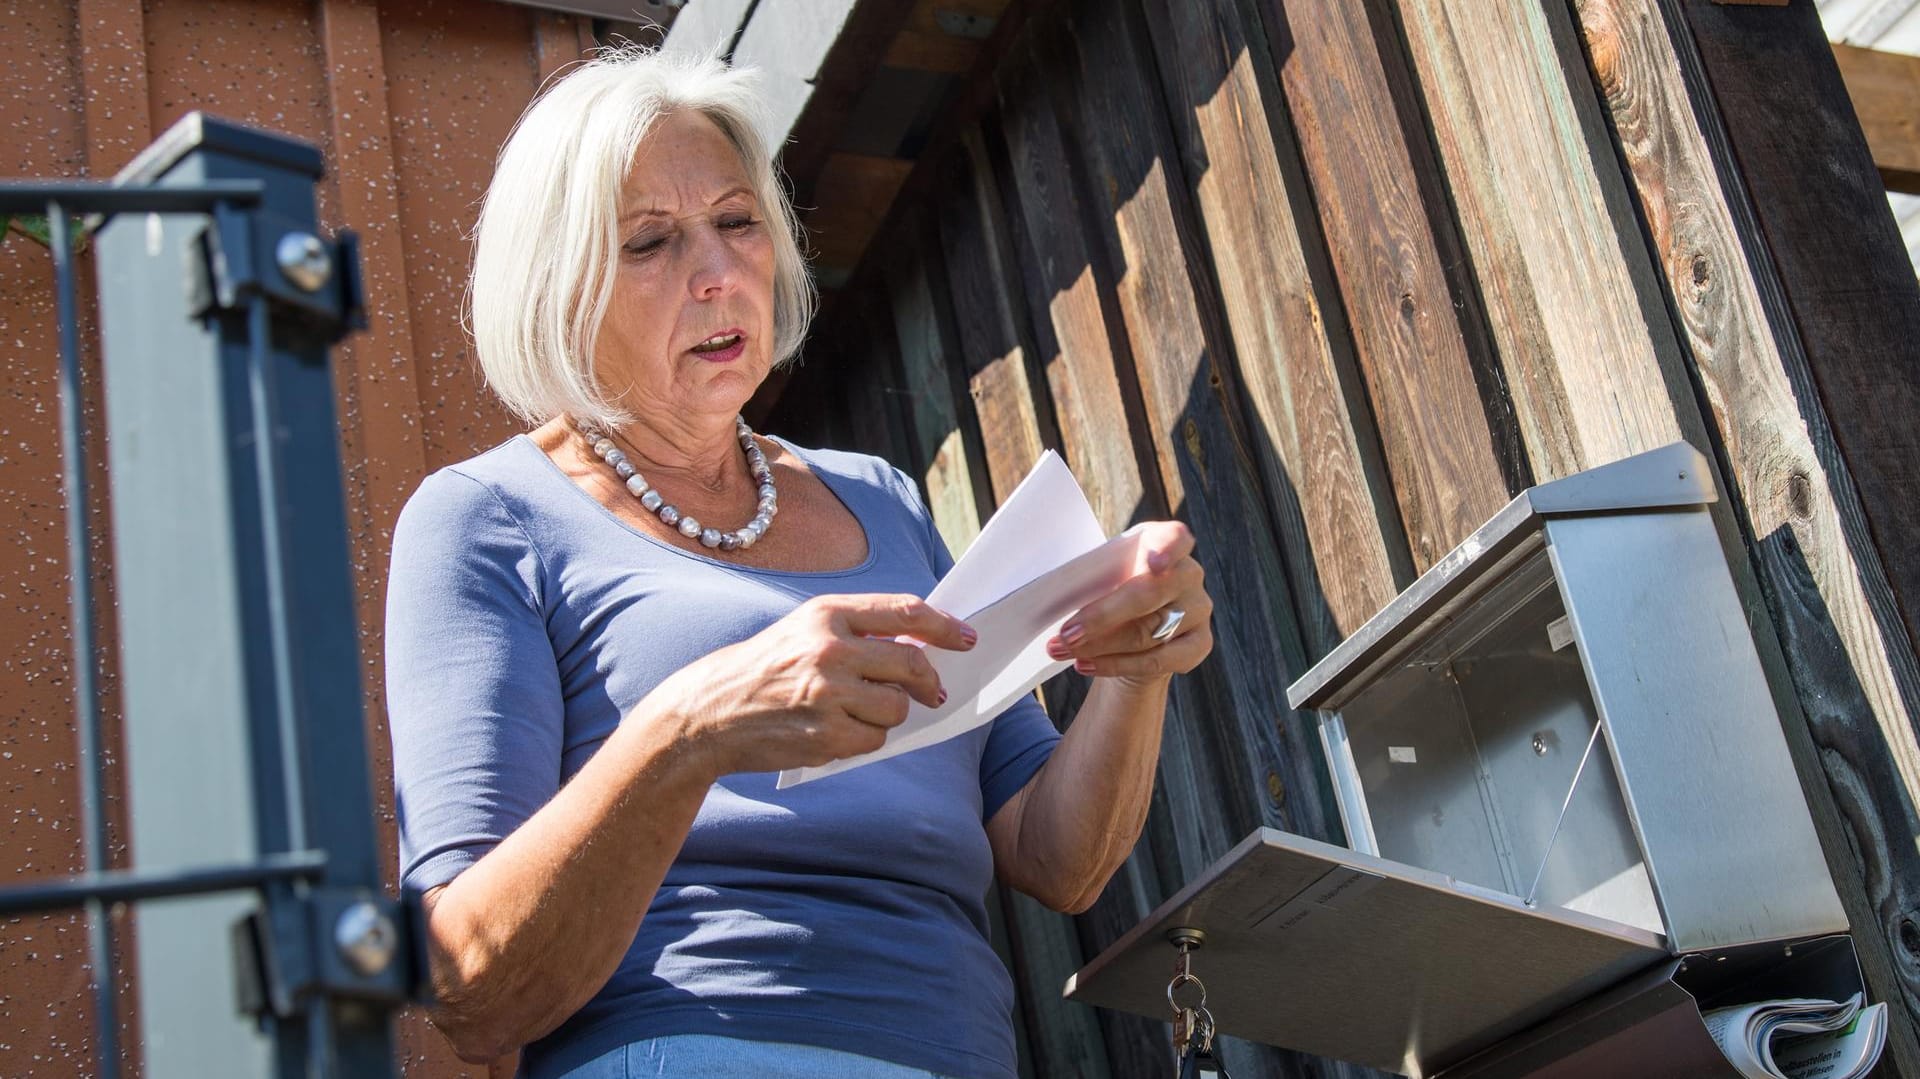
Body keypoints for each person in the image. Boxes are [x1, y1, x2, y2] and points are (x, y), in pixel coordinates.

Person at [384, 46, 1215, 1079]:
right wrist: (688, 731)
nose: (718, 273)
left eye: (737, 222)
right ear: (557, 291)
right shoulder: (486, 518)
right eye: (649, 242)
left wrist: (1136, 665)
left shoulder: (883, 496)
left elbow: (1059, 857)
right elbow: (471, 990)